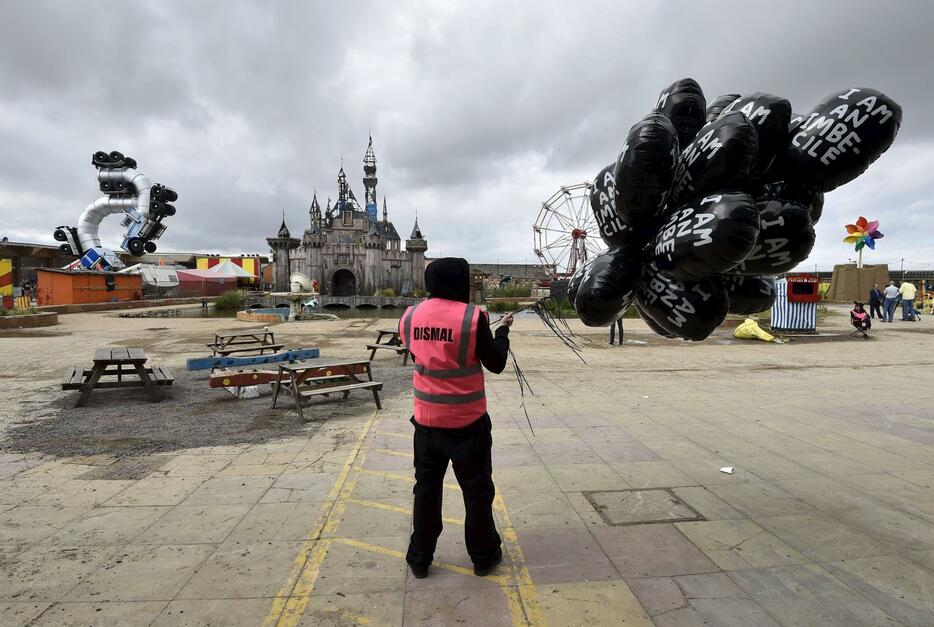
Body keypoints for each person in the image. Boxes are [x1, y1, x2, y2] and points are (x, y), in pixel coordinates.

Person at [398, 257, 510, 580]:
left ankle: (420, 558)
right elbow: (496, 363)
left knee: (426, 490)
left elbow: (419, 350)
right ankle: (483, 556)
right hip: (467, 424)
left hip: (426, 423)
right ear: (459, 282)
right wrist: (502, 332)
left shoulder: (410, 316)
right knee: (476, 492)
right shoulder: (473, 318)